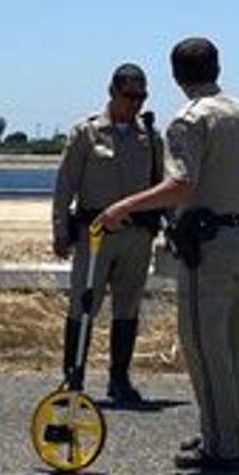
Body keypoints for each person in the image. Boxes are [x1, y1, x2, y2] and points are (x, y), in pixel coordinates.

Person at [100, 37, 239, 470]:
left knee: (204, 345)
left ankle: (222, 445)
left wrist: (125, 205)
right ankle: (222, 432)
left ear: (176, 76)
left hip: (209, 246)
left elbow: (183, 185)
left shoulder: (189, 120)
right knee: (237, 345)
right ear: (217, 66)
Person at [52, 63, 162, 405]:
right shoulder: (87, 133)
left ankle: (119, 379)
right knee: (83, 306)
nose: (136, 103)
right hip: (94, 235)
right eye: (130, 95)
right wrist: (59, 229)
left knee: (127, 307)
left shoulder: (151, 137)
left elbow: (161, 184)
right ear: (112, 92)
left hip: (137, 235)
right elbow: (64, 185)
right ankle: (73, 377)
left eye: (142, 96)